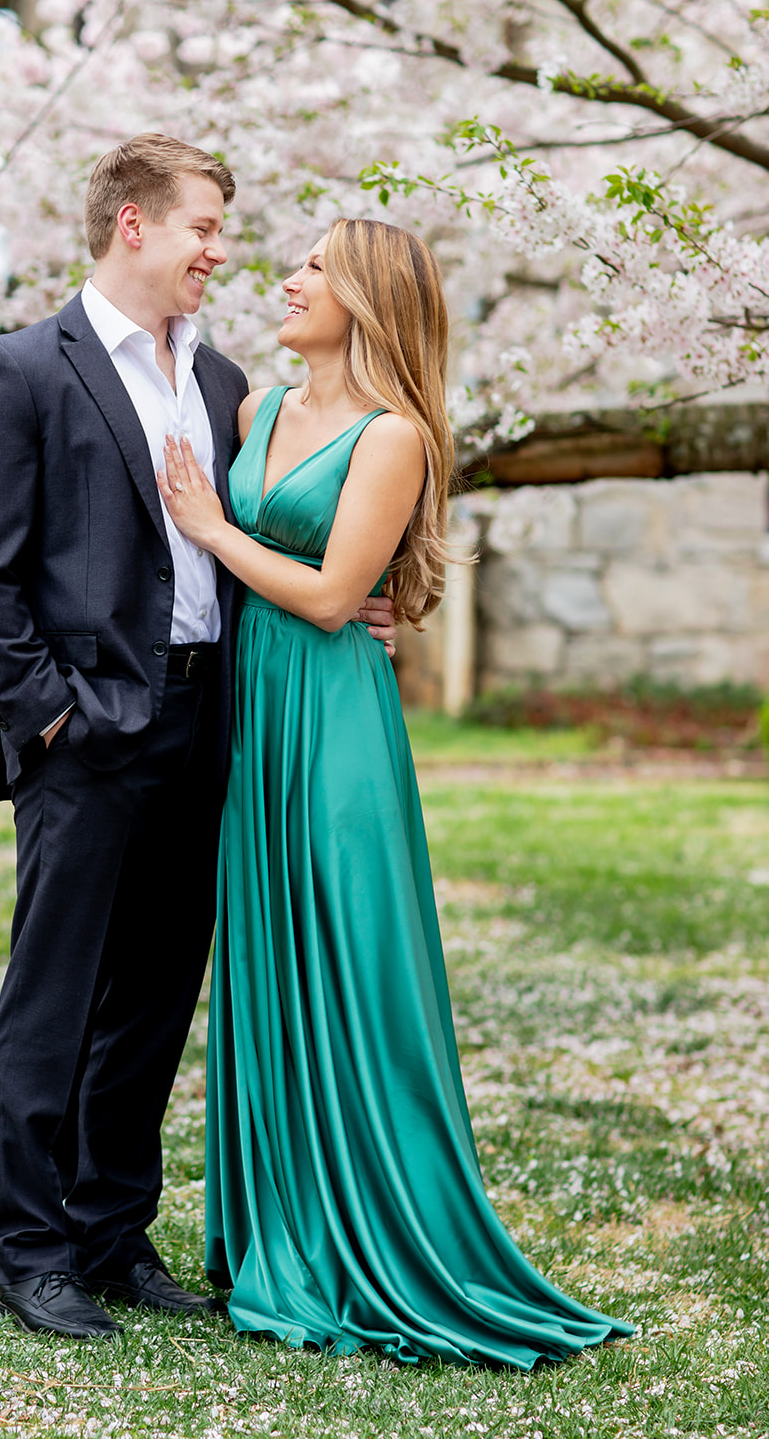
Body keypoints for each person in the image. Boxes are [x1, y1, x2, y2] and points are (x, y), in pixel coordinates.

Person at [0, 137, 395, 1341]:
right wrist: (51, 716)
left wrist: (359, 597)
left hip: (212, 722)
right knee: (57, 998)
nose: (219, 253)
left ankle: (109, 1234)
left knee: (152, 1003)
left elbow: (261, 541)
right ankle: (30, 1252)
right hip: (85, 732)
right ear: (132, 226)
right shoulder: (21, 370)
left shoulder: (226, 378)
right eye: (202, 229)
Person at [158, 216, 635, 1368]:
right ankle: (284, 1225)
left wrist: (214, 529)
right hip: (250, 718)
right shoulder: (253, 411)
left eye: (313, 266)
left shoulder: (395, 436)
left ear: (366, 295)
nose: (285, 277)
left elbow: (329, 600)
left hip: (331, 723)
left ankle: (390, 1230)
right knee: (270, 956)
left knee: (352, 960)